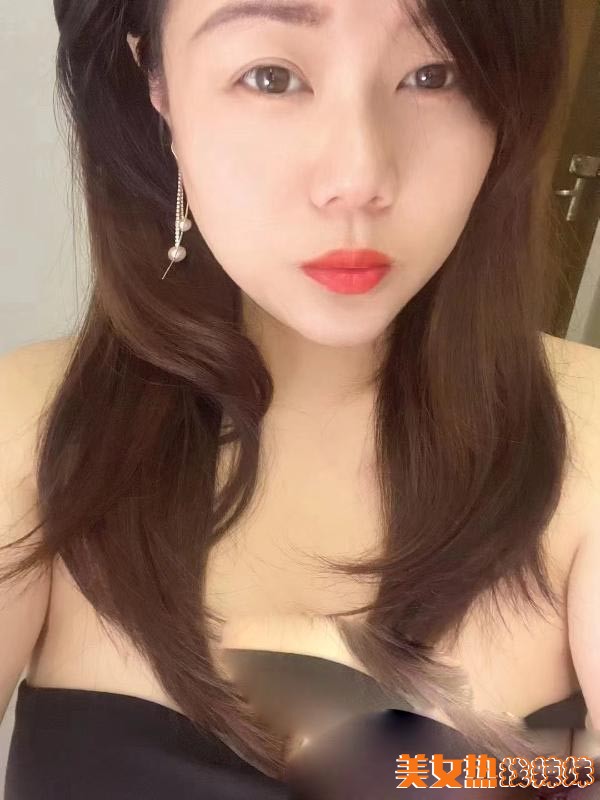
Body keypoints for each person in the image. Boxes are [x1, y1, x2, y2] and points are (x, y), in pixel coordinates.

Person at [1, 0, 599, 796]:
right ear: (158, 85)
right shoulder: (31, 430)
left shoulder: (587, 434)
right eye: (272, 77)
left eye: (435, 74)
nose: (359, 178)